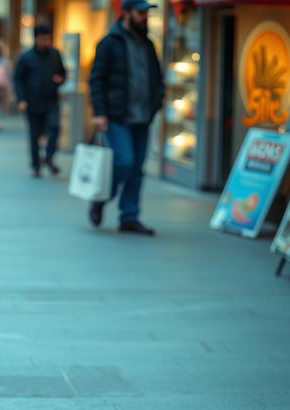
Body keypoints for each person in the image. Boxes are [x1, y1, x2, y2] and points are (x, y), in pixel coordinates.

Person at [88, 0, 164, 236]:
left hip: (143, 116)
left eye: (146, 13)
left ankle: (129, 217)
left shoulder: (149, 44)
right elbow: (96, 79)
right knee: (124, 161)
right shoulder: (109, 43)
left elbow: (156, 77)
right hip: (116, 116)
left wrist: (156, 102)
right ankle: (101, 198)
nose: (144, 17)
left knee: (137, 168)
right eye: (140, 12)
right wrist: (100, 111)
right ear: (127, 13)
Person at [14, 24, 66, 178]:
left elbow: (62, 72)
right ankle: (36, 164)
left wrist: (60, 79)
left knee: (55, 127)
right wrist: (21, 99)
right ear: (36, 38)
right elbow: (18, 79)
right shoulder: (26, 57)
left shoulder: (55, 54)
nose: (46, 42)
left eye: (49, 39)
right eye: (43, 39)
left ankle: (49, 157)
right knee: (35, 135)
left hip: (51, 100)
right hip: (32, 102)